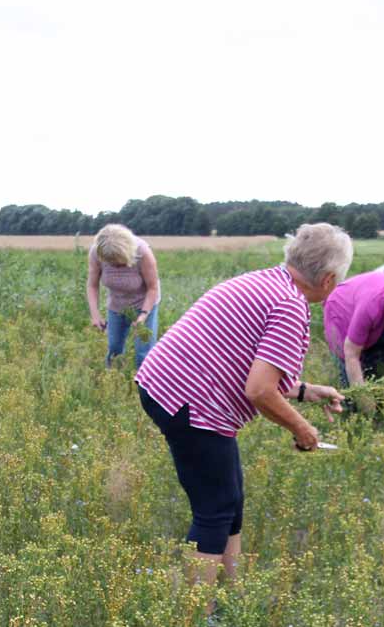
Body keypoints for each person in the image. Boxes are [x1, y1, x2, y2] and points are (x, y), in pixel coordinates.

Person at [135, 223, 350, 581]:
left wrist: (304, 390)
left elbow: (244, 361)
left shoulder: (268, 281)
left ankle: (232, 595)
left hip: (169, 386)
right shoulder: (290, 305)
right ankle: (196, 624)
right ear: (328, 280)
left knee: (231, 501)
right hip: (190, 401)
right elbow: (259, 391)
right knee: (214, 510)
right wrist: (302, 429)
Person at [86, 223, 161, 369]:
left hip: (144, 303)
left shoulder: (142, 251)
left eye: (118, 263)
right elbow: (92, 285)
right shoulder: (97, 252)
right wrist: (95, 315)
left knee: (143, 353)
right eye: (110, 263)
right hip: (116, 306)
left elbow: (153, 288)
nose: (114, 266)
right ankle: (113, 382)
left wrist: (143, 316)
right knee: (114, 350)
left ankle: (145, 387)